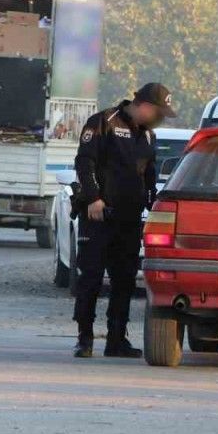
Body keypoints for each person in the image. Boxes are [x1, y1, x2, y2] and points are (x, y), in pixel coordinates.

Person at [71, 83, 174, 359]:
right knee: (91, 278)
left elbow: (149, 174)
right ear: (145, 106)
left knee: (124, 280)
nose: (159, 119)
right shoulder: (104, 122)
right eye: (159, 113)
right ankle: (85, 338)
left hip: (129, 219)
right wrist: (93, 198)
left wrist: (154, 204)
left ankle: (116, 339)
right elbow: (84, 162)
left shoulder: (149, 136)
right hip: (99, 215)